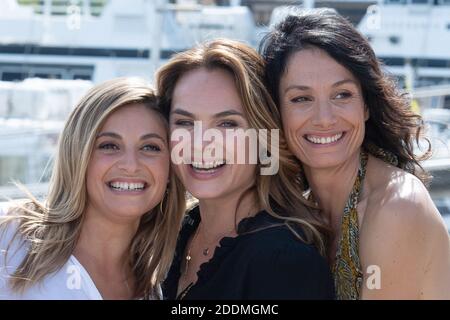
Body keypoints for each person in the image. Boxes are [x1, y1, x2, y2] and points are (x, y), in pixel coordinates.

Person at [259, 8, 450, 299]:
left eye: (342, 94)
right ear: (276, 113)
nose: (325, 118)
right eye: (301, 99)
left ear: (366, 105)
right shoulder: (301, 211)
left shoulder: (397, 205)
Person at [157, 38, 335, 300]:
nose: (201, 142)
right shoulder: (177, 234)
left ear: (264, 138)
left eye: (227, 124)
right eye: (185, 122)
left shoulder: (285, 264)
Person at [0, 77, 185, 299]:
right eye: (109, 145)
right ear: (78, 157)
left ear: (170, 169)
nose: (130, 165)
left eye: (150, 147)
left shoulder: (165, 286)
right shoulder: (9, 237)